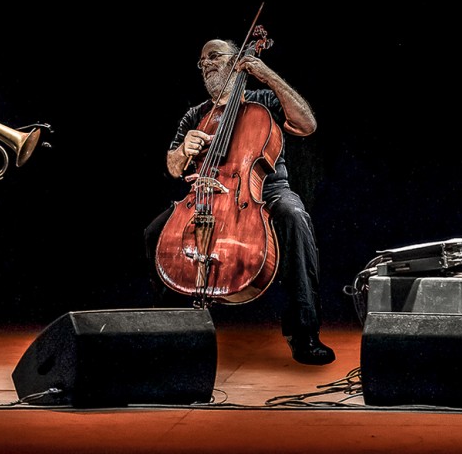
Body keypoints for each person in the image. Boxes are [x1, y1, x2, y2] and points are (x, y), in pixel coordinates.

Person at [142, 38, 335, 365]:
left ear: (237, 61)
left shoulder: (262, 101)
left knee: (294, 215)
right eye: (201, 61)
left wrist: (266, 73)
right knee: (153, 234)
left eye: (214, 56)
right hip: (206, 192)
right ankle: (172, 329)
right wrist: (182, 150)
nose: (205, 64)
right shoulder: (196, 115)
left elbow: (307, 125)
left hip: (264, 189)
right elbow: (174, 167)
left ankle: (304, 332)